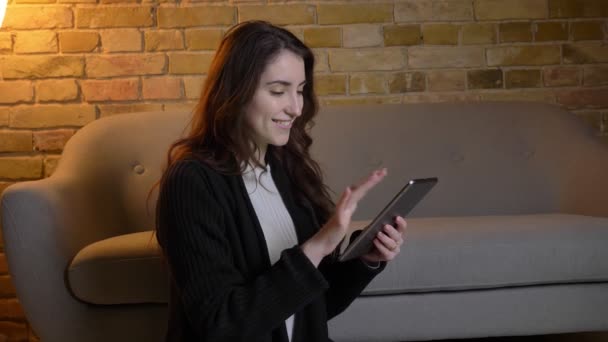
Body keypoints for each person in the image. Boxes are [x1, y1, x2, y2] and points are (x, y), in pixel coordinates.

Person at [155, 20, 407, 342]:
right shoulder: (192, 182)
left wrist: (365, 261)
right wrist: (318, 246)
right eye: (278, 91)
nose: (296, 107)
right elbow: (222, 325)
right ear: (235, 92)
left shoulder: (288, 171)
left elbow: (313, 307)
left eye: (300, 90)